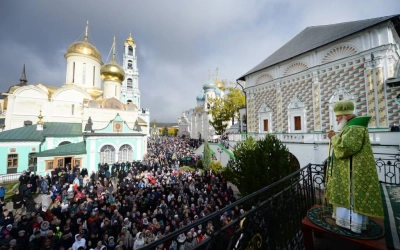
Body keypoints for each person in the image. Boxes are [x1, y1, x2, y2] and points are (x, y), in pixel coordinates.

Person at [325, 100, 384, 233]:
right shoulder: (351, 127)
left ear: (347, 115)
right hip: (348, 170)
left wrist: (334, 137)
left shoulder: (355, 128)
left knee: (351, 197)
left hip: (351, 174)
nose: (336, 118)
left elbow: (346, 148)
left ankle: (351, 223)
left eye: (339, 116)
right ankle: (344, 220)